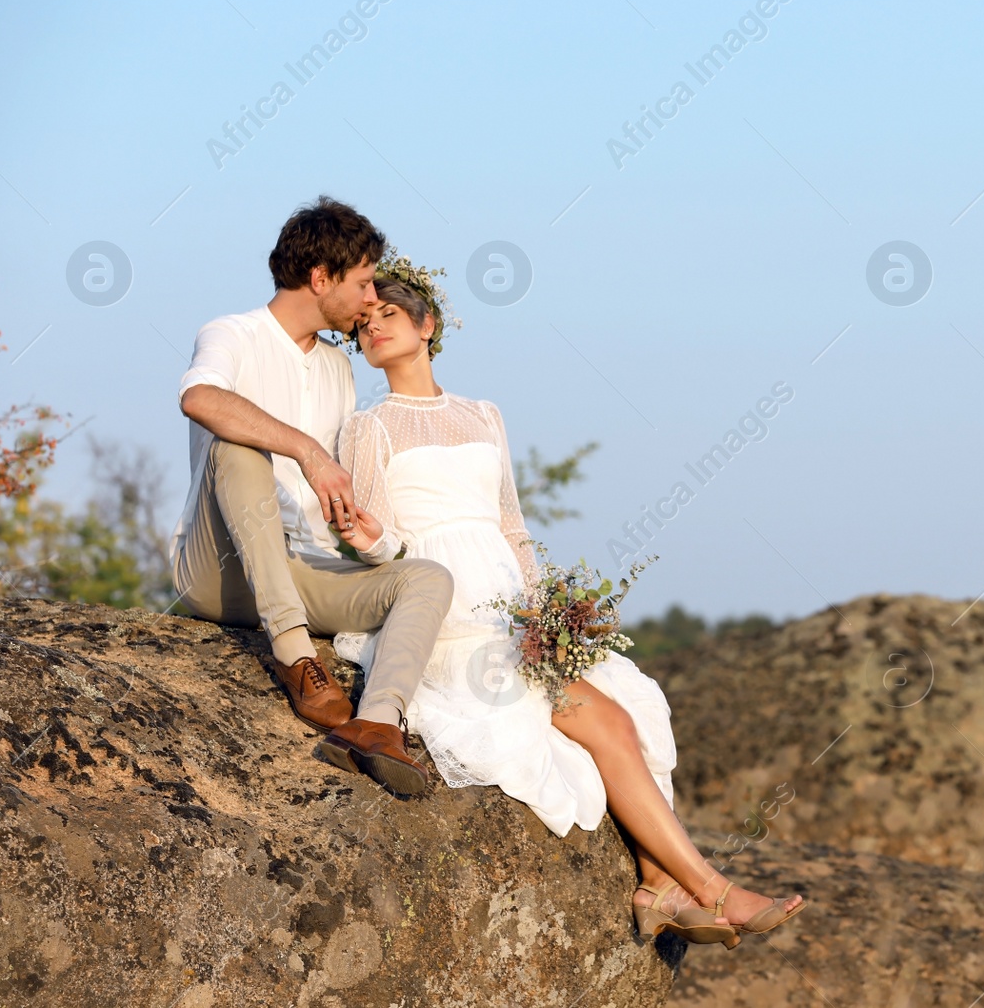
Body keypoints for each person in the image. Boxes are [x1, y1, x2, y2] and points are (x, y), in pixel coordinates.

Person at [328, 250, 807, 947]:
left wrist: (547, 613)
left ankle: (662, 885)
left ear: (427, 324)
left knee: (623, 711)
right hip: (445, 611)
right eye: (363, 323)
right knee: (604, 722)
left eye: (389, 315)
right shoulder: (368, 427)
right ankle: (708, 889)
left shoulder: (483, 414)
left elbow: (512, 524)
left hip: (511, 611)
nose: (374, 329)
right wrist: (369, 541)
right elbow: (378, 544)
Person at [169, 196, 455, 798]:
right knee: (238, 445)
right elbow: (199, 399)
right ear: (320, 278)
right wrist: (306, 449)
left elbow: (335, 486)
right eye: (363, 281)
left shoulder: (336, 367)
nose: (372, 297)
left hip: (303, 567)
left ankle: (376, 725)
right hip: (220, 570)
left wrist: (361, 531)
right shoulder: (232, 333)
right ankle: (297, 657)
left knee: (427, 578)